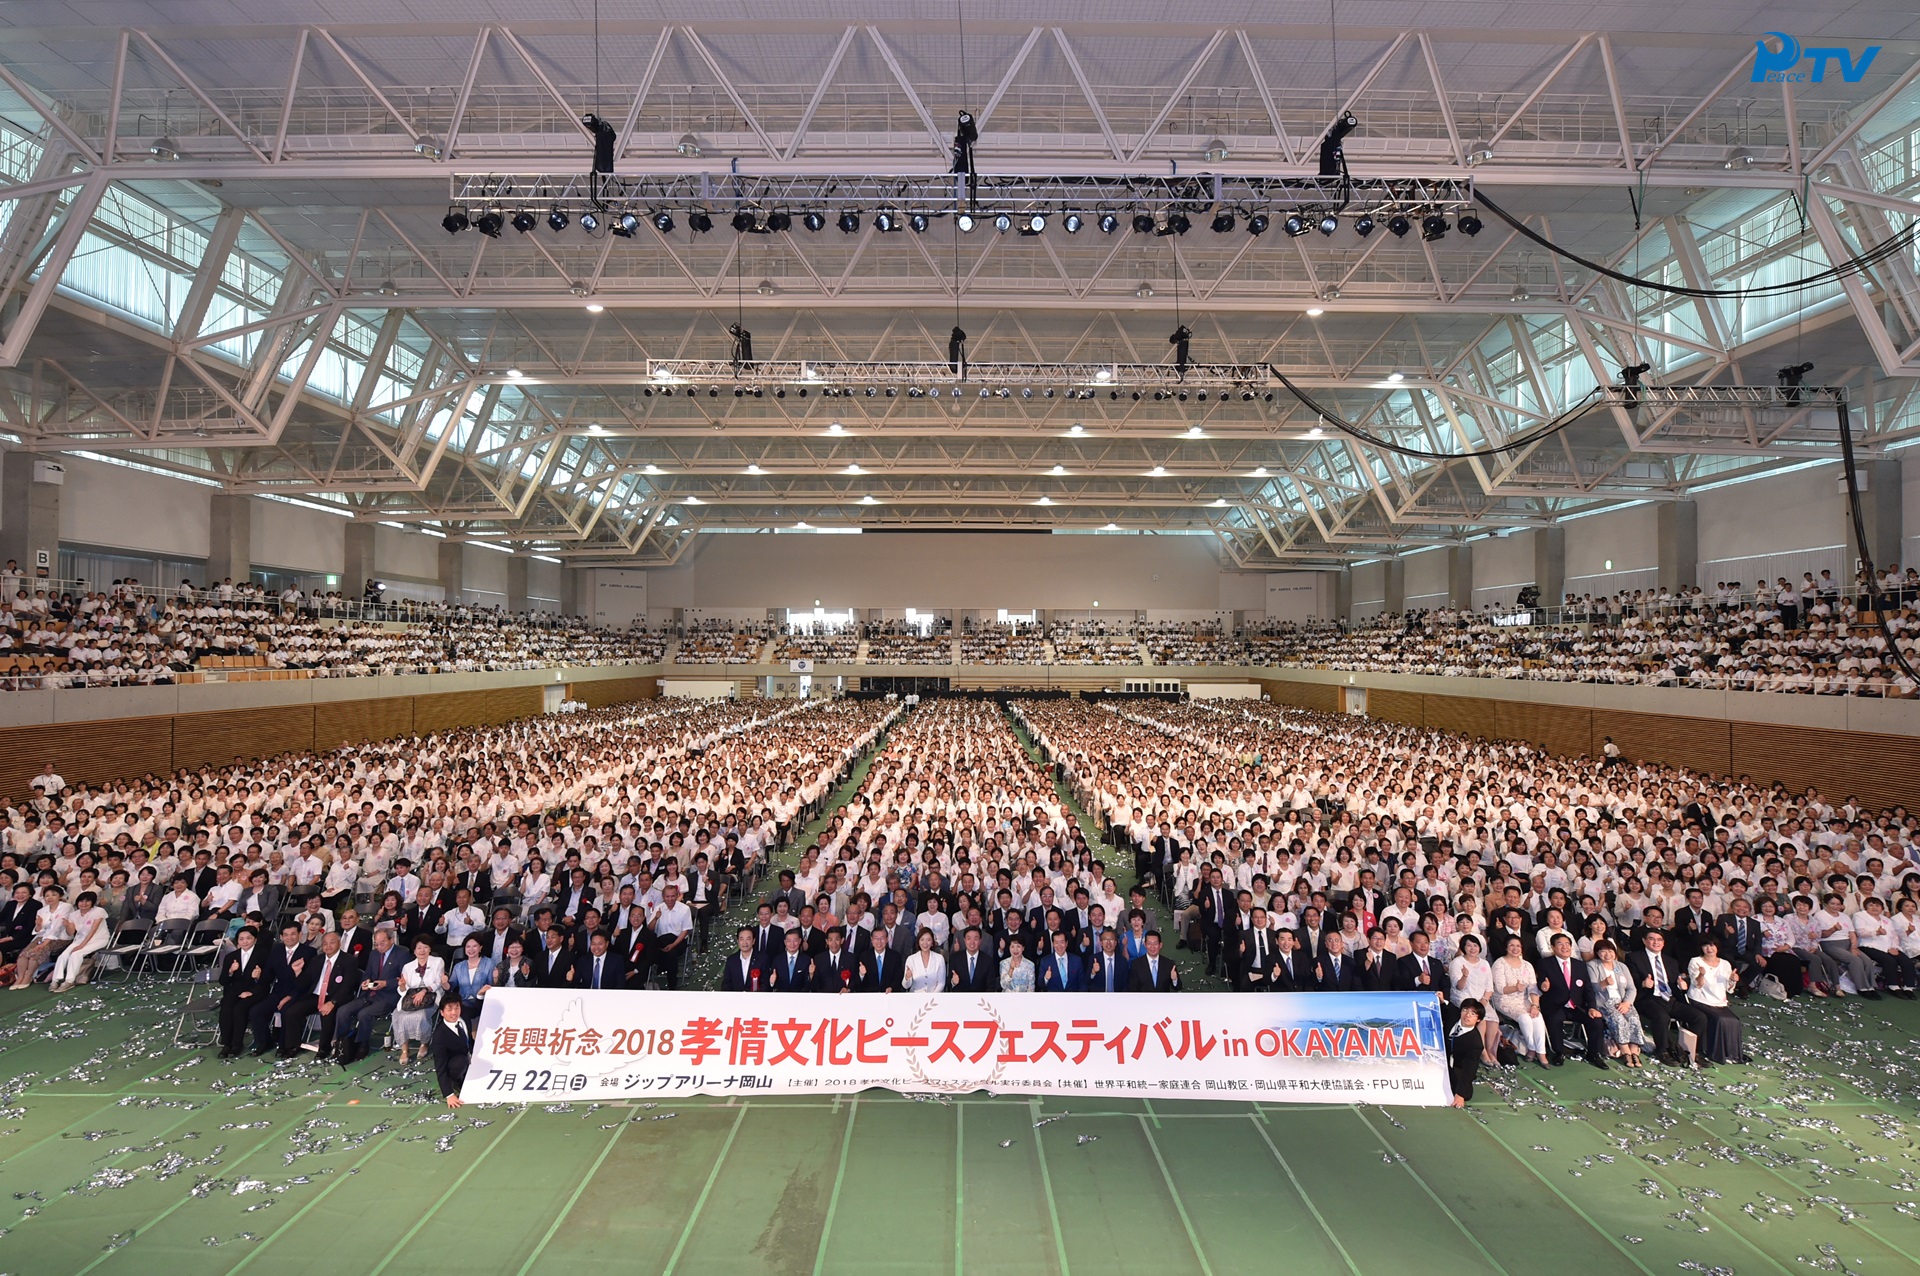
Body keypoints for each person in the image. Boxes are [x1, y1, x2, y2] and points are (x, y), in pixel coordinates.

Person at [335, 928, 404, 1065]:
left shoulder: (402, 954)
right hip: (370, 993)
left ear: (391, 940)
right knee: (343, 1011)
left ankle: (362, 1045)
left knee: (364, 1014)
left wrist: (385, 983)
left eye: (382, 943)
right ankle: (341, 1044)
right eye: (376, 944)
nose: (379, 947)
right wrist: (365, 982)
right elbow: (367, 973)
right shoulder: (373, 954)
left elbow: (404, 979)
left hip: (388, 996)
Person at [1538, 932, 1606, 1068]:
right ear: (1553, 947)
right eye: (1560, 944)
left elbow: (1588, 989)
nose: (1564, 947)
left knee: (1596, 1022)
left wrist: (1592, 1007)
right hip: (1556, 1005)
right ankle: (1558, 1052)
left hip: (1577, 1006)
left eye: (1567, 944)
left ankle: (1594, 1054)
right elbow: (1541, 982)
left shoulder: (1580, 965)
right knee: (1554, 1019)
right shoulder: (1545, 964)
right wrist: (1543, 986)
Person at [1490, 933, 1548, 1066]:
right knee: (1526, 1018)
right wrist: (1516, 988)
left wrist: (1534, 1005)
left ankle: (1541, 1052)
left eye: (1518, 946)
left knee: (1537, 1017)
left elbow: (1533, 989)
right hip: (1505, 999)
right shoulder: (1499, 964)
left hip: (1524, 999)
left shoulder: (1527, 965)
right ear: (1506, 947)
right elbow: (1500, 989)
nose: (1515, 948)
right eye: (1511, 945)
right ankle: (1532, 1048)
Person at [1687, 938, 1747, 1064]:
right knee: (1720, 1019)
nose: (1710, 949)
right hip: (1700, 999)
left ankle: (1731, 1053)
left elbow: (1729, 989)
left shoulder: (1725, 964)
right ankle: (1715, 1053)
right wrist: (1701, 974)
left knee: (1734, 1020)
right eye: (1706, 946)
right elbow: (1697, 985)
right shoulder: (1695, 961)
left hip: (1719, 1000)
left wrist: (1733, 980)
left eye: (1713, 945)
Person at [1587, 940, 1646, 1068]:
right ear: (1597, 953)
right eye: (1603, 951)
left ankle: (1634, 1051)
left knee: (1634, 1018)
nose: (1607, 954)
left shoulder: (1621, 966)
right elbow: (1592, 988)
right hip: (1604, 1002)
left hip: (1622, 1001)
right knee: (1619, 1020)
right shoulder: (1593, 965)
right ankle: (1625, 1051)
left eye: (1610, 951)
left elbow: (1632, 988)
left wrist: (1626, 1002)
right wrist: (1604, 983)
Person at [392, 936, 445, 1066]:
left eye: (425, 947)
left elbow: (438, 982)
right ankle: (404, 1049)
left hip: (431, 996)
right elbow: (403, 991)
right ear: (414, 951)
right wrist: (403, 985)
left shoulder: (438, 961)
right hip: (411, 998)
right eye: (419, 948)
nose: (422, 951)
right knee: (398, 1016)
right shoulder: (407, 967)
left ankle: (424, 1043)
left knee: (421, 1016)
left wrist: (424, 991)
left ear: (430, 949)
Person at [217, 927, 267, 1058]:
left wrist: (257, 978)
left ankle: (237, 1044)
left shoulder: (263, 954)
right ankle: (226, 1044)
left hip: (255, 991)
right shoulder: (231, 957)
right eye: (241, 939)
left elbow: (268, 979)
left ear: (255, 939)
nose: (245, 942)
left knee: (239, 1009)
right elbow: (223, 981)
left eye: (249, 938)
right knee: (226, 1008)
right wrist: (230, 972)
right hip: (235, 992)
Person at [48, 892, 108, 992]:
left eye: (87, 901)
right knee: (63, 955)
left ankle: (69, 981)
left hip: (99, 939)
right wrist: (67, 925)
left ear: (92, 902)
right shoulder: (73, 915)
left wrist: (81, 946)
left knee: (76, 954)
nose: (84, 903)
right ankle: (55, 981)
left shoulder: (99, 911)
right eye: (81, 901)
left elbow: (93, 930)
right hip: (80, 939)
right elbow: (70, 933)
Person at [430, 994, 473, 1109]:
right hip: (456, 1064)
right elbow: (440, 1066)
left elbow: (477, 1009)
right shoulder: (439, 1036)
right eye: (449, 1009)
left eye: (457, 1008)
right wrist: (449, 1094)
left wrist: (480, 995)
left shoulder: (464, 1015)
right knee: (460, 1062)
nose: (454, 1013)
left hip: (471, 1056)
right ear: (442, 1012)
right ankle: (456, 1081)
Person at [1448, 1000, 1487, 1106]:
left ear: (1478, 1019)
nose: (1467, 1015)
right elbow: (1445, 1006)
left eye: (1473, 1013)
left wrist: (1460, 1094)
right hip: (1437, 1057)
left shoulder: (1475, 1043)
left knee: (1464, 1092)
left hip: (1455, 1067)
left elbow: (1470, 1069)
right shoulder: (1451, 1017)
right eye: (1465, 1010)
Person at [447, 935, 495, 1021]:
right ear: (464, 949)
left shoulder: (489, 963)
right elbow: (450, 987)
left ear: (480, 948)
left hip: (483, 1001)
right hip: (463, 1002)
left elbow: (491, 985)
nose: (471, 949)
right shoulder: (458, 966)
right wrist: (444, 983)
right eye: (468, 946)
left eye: (475, 946)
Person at [949, 926, 998, 992]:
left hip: (981, 1000)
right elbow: (948, 983)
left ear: (980, 941)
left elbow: (991, 986)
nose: (972, 942)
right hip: (960, 999)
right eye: (969, 939)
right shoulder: (955, 959)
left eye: (975, 939)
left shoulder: (988, 960)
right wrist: (953, 982)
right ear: (964, 940)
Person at [902, 927, 945, 992]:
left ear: (932, 942)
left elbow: (941, 983)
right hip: (915, 998)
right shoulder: (911, 959)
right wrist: (907, 978)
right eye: (922, 940)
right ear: (918, 942)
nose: (925, 943)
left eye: (928, 940)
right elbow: (906, 986)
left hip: (934, 998)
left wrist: (932, 997)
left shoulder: (939, 958)